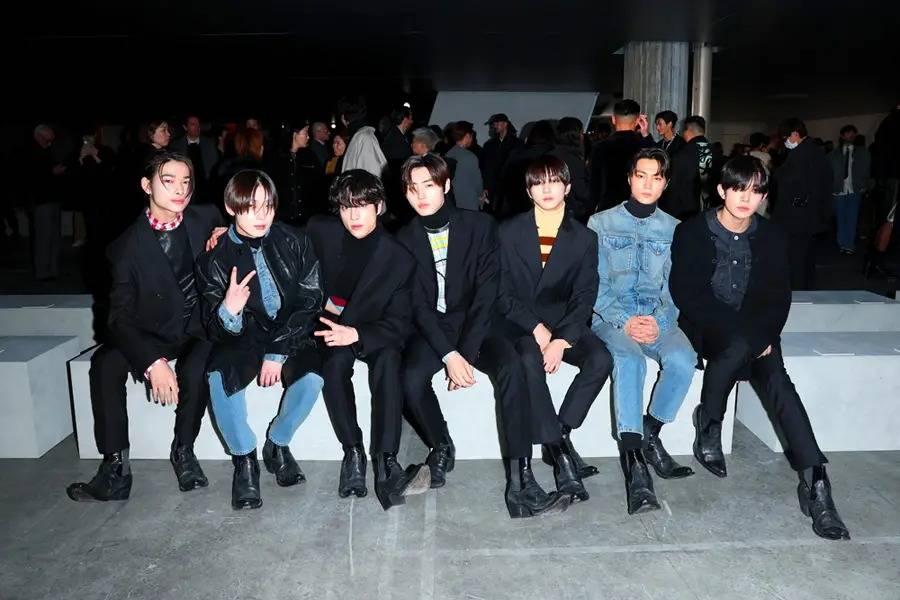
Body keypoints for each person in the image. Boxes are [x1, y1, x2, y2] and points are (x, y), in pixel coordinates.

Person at [670, 156, 850, 541]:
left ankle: (817, 484)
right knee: (736, 347)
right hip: (708, 327)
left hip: (760, 332)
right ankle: (711, 421)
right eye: (738, 188)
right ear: (721, 190)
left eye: (755, 191)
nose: (745, 198)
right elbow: (688, 294)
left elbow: (777, 297)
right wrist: (749, 337)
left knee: (780, 386)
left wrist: (762, 336)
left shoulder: (772, 236)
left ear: (764, 196)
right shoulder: (692, 231)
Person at [394, 154, 569, 517]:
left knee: (512, 366)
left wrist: (467, 352)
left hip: (479, 324)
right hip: (434, 328)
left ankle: (521, 482)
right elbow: (419, 307)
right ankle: (441, 445)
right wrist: (449, 354)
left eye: (428, 185)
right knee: (409, 378)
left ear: (446, 185)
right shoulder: (404, 239)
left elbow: (487, 294)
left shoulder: (479, 225)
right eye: (412, 188)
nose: (421, 195)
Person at [66, 151, 223, 502]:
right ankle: (115, 470)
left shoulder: (205, 217)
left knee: (197, 369)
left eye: (186, 182)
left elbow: (244, 229)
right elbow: (118, 318)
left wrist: (228, 234)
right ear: (147, 185)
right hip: (150, 331)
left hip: (196, 327)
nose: (180, 190)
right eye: (169, 181)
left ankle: (184, 451)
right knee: (105, 363)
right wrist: (152, 362)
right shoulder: (125, 247)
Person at [197, 170, 323, 510]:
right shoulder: (214, 258)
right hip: (243, 338)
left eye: (267, 206)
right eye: (250, 207)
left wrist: (278, 351)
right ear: (231, 207)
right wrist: (229, 310)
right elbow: (214, 330)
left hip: (290, 332)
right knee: (220, 377)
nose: (261, 215)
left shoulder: (294, 240)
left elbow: (310, 299)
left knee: (312, 378)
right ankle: (245, 461)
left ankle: (278, 444)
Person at [306, 170, 430, 510]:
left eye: (362, 206)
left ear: (379, 207)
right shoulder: (322, 231)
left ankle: (387, 461)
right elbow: (277, 235)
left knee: (389, 361)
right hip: (330, 324)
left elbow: (400, 322)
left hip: (374, 328)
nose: (354, 216)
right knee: (334, 365)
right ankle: (354, 453)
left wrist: (357, 334)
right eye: (346, 207)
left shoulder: (398, 257)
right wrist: (227, 231)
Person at [497, 154, 613, 506]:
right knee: (528, 360)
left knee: (600, 359)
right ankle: (561, 456)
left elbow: (584, 295)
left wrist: (562, 338)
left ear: (567, 187)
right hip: (519, 322)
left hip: (563, 323)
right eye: (538, 183)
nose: (546, 189)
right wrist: (536, 328)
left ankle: (559, 432)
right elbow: (500, 292)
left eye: (554, 181)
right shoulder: (506, 231)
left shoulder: (584, 238)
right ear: (528, 191)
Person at [589, 147, 697, 515]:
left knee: (683, 359)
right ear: (629, 178)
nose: (647, 184)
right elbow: (593, 284)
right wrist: (623, 320)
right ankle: (635, 466)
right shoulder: (600, 224)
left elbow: (677, 286)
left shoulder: (675, 229)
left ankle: (650, 433)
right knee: (630, 360)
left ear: (665, 183)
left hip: (657, 317)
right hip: (610, 317)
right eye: (641, 175)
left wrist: (660, 322)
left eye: (656, 177)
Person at [771, 118, 833, 290]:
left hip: (797, 215)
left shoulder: (801, 153)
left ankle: (798, 292)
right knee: (806, 257)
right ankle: (805, 289)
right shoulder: (815, 151)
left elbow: (787, 180)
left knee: (796, 258)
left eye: (785, 137)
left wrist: (776, 171)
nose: (785, 141)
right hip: (810, 215)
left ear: (795, 134)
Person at [590, 99, 655, 213]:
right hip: (639, 208)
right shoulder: (645, 147)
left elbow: (595, 186)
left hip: (608, 210)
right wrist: (646, 135)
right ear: (637, 121)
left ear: (613, 119)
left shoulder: (600, 147)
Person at [829, 125, 871, 255]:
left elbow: (867, 170)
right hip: (839, 189)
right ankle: (842, 243)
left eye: (853, 133)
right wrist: (831, 187)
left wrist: (865, 185)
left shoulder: (862, 152)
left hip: (855, 189)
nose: (851, 135)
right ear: (842, 135)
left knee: (852, 218)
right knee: (841, 218)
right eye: (848, 133)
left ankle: (849, 244)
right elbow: (829, 172)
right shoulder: (833, 154)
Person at [550, 117, 592, 222]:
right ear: (576, 135)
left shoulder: (550, 155)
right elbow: (582, 191)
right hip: (571, 215)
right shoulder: (573, 160)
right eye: (581, 133)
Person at [443, 121, 484, 211]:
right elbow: (477, 182)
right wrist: (481, 194)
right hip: (468, 202)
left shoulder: (448, 154)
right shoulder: (470, 157)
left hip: (451, 202)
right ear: (468, 136)